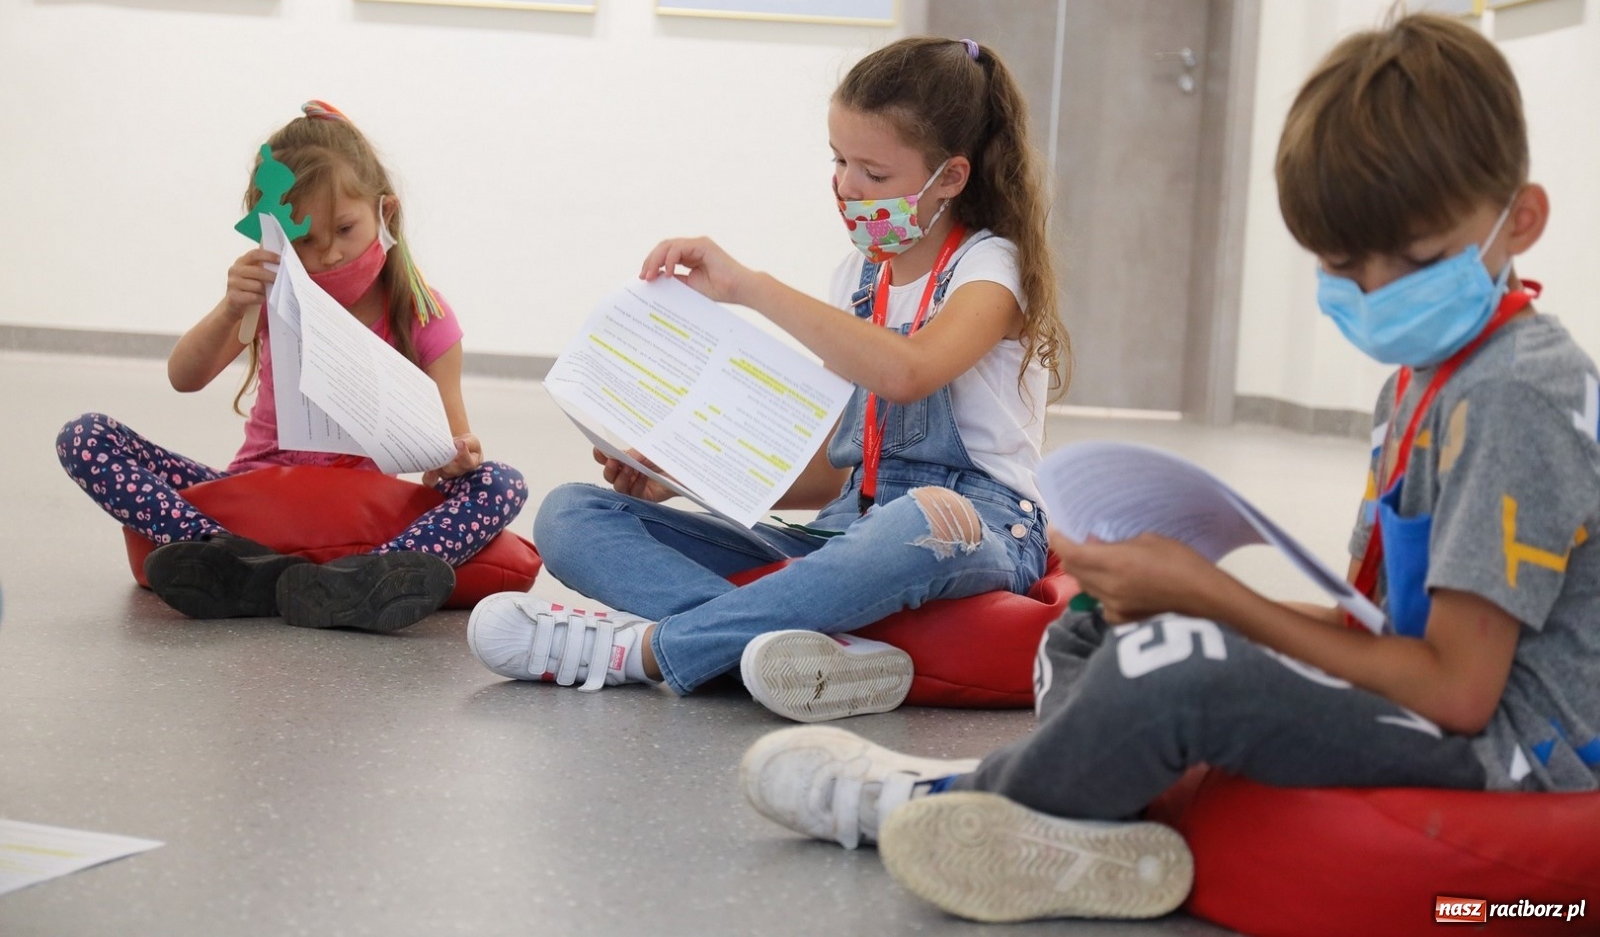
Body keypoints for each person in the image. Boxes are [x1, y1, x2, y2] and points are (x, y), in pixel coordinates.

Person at [736, 13, 1600, 923]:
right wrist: (1185, 596)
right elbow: (1389, 632)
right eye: (1346, 266)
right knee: (1093, 628)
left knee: (1178, 672)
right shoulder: (1431, 379)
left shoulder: (1513, 397)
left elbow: (1458, 691)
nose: (1379, 292)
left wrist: (1217, 596)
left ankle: (946, 801)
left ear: (1523, 220)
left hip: (1513, 751)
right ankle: (1088, 818)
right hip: (1440, 695)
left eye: (1415, 260)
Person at [468, 37, 1068, 723]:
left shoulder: (992, 268)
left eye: (873, 172)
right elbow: (831, 472)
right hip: (850, 526)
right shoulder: (859, 280)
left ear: (951, 178)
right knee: (570, 514)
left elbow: (910, 372)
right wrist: (678, 477)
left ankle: (646, 651)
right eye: (839, 161)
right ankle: (805, 648)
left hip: (977, 525)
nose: (846, 187)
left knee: (920, 517)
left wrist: (750, 288)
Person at [57, 101, 527, 633]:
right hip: (256, 494)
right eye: (304, 240)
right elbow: (183, 378)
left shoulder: (423, 311)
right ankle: (226, 555)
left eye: (346, 230)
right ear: (274, 234)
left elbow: (454, 444)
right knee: (86, 436)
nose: (328, 256)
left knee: (500, 482)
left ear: (385, 213)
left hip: (361, 505)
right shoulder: (267, 293)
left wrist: (457, 456)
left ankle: (372, 576)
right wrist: (232, 306)